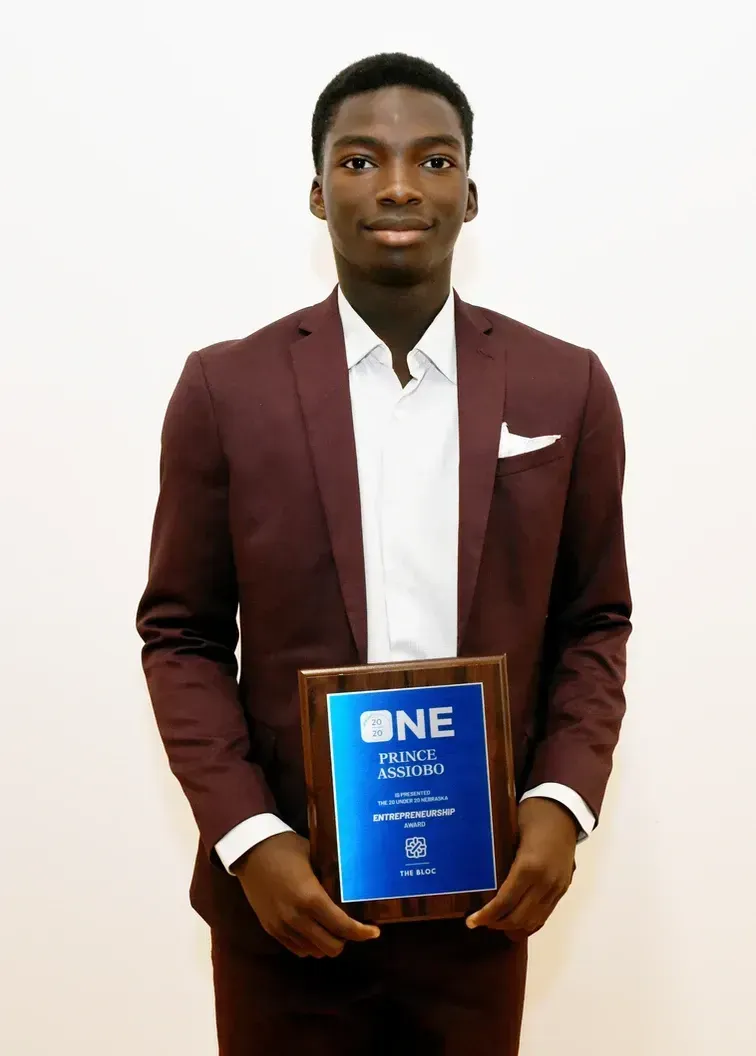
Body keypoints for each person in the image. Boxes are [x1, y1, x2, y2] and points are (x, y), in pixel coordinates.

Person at [137, 51, 631, 1056]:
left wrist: (562, 800)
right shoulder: (224, 391)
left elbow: (595, 620)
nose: (400, 183)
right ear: (318, 194)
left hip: (484, 895)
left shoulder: (564, 385)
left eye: (433, 160)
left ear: (471, 193)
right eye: (361, 161)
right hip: (288, 901)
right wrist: (250, 837)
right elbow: (180, 635)